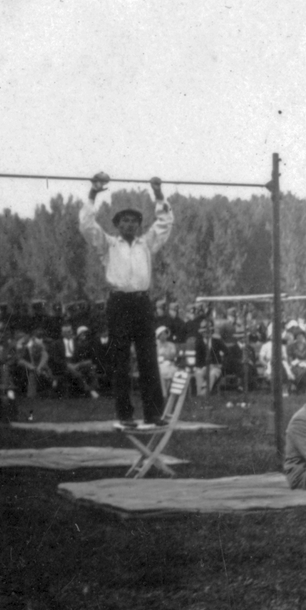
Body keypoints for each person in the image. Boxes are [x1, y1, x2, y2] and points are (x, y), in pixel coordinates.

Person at [80, 173, 173, 428]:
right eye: (125, 221)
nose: (130, 224)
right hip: (119, 304)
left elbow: (164, 223)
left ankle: (153, 414)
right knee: (120, 361)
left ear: (139, 225)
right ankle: (125, 415)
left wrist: (158, 193)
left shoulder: (146, 244)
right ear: (118, 225)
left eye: (134, 221)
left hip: (142, 303)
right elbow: (87, 226)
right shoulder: (108, 245)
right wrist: (93, 193)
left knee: (148, 358)